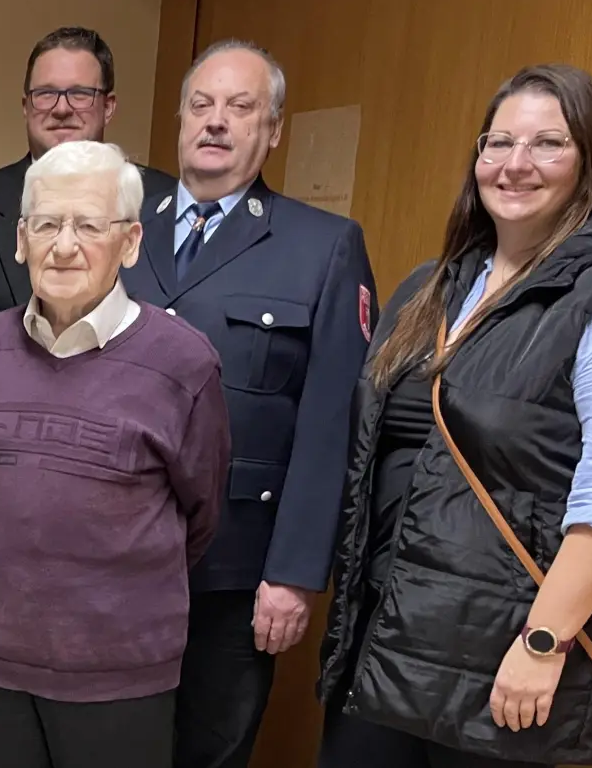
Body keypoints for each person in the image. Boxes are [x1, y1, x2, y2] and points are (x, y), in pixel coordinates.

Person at [316, 64, 592, 768]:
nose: (515, 164)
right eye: (498, 142)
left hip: (508, 669)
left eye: (548, 143)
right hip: (386, 645)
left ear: (588, 163)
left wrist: (544, 644)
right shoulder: (431, 286)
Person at [119, 39, 378, 768]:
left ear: (273, 129)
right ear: (178, 119)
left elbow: (333, 425)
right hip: (110, 557)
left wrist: (294, 574)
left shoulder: (322, 246)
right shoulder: (117, 226)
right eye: (200, 105)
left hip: (234, 568)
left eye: (240, 107)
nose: (215, 122)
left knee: (210, 751)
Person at [0, 140, 231, 768]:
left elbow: (201, 513)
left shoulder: (183, 361)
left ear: (129, 242)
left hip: (119, 675)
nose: (64, 244)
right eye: (47, 223)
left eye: (88, 225)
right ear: (21, 238)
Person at [0, 27, 174, 311]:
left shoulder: (163, 204)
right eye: (46, 93)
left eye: (80, 94)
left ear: (108, 106)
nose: (61, 108)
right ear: (26, 107)